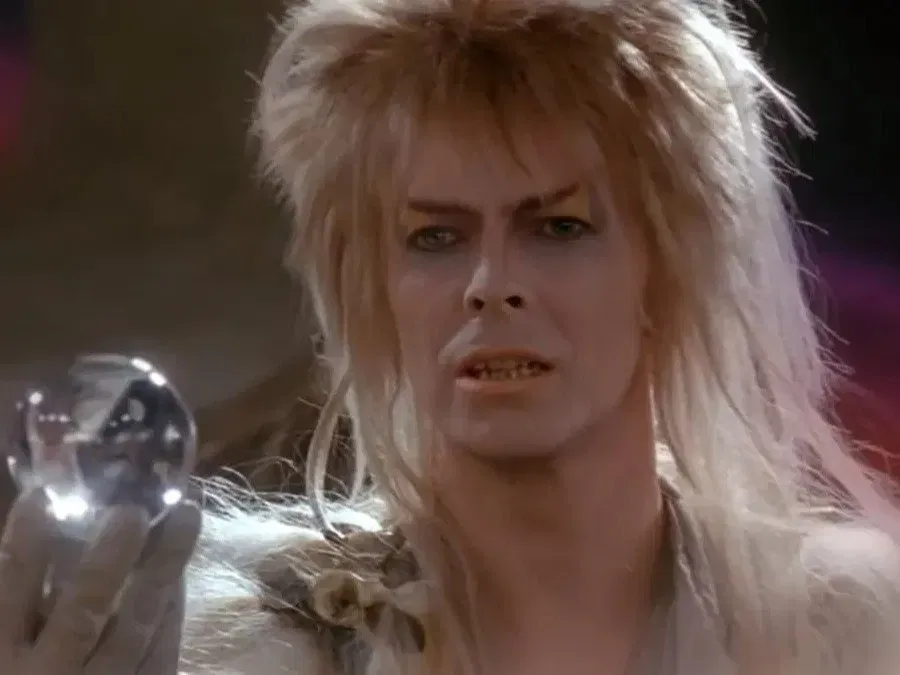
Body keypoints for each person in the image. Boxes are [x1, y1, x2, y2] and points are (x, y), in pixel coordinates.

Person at [3, 0, 899, 674]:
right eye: (435, 237)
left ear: (667, 267)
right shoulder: (245, 645)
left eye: (559, 227)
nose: (490, 282)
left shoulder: (848, 634)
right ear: (373, 287)